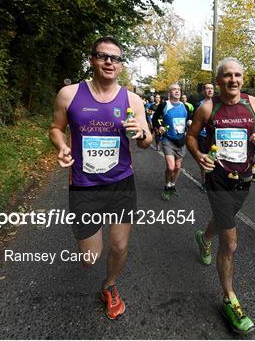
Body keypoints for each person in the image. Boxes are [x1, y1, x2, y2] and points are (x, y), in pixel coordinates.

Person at [49, 36, 152, 320]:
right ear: (92, 60)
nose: (109, 61)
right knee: (89, 258)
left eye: (115, 58)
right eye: (102, 56)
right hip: (84, 185)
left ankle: (109, 286)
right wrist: (62, 146)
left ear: (120, 65)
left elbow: (146, 141)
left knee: (119, 246)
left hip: (121, 182)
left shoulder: (132, 100)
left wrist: (141, 133)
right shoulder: (69, 94)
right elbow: (56, 128)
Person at [187, 58, 255, 334]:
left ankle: (204, 237)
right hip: (218, 180)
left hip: (245, 179)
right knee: (232, 242)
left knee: (223, 220)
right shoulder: (208, 107)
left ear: (243, 78)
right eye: (227, 75)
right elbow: (191, 137)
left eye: (237, 75)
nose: (233, 80)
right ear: (218, 80)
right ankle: (230, 299)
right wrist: (199, 155)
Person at [152, 83, 193, 200]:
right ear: (170, 92)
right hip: (168, 139)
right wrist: (159, 127)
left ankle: (172, 185)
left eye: (178, 89)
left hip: (181, 140)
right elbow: (155, 118)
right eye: (174, 89)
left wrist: (190, 121)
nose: (177, 91)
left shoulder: (184, 106)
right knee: (170, 167)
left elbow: (190, 117)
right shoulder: (165, 105)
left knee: (177, 166)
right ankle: (166, 185)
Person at [196, 83, 215, 193]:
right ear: (204, 91)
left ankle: (213, 181)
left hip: (214, 137)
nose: (210, 90)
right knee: (204, 160)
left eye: (212, 88)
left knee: (214, 160)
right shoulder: (200, 104)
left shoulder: (218, 104)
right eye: (208, 88)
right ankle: (204, 182)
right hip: (203, 136)